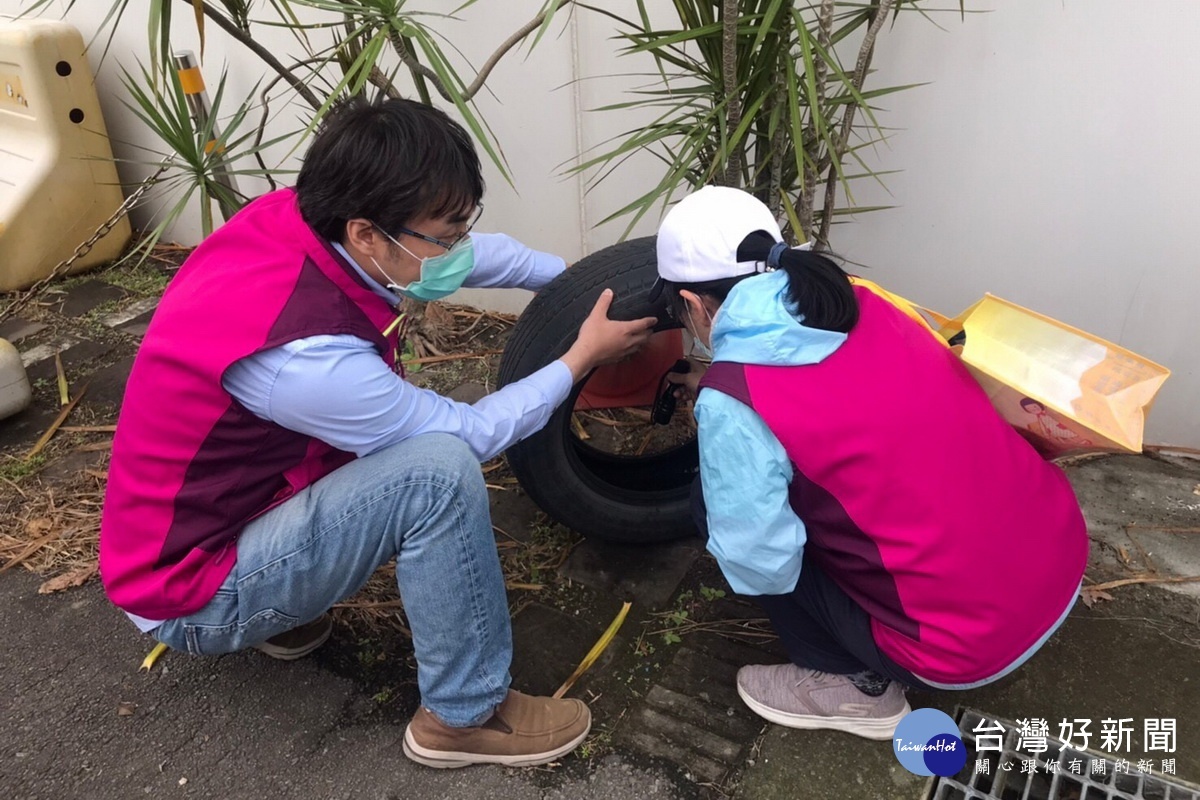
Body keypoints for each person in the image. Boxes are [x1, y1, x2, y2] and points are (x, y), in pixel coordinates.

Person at [99, 97, 657, 768]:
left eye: (460, 227)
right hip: (192, 593)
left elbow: (474, 258)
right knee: (436, 474)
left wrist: (582, 286)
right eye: (443, 236)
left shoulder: (298, 220)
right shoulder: (308, 363)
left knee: (410, 445)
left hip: (211, 525)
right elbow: (472, 434)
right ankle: (462, 715)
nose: (458, 250)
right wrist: (580, 359)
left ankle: (282, 604)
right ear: (367, 233)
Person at [650, 186, 1087, 741]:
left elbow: (762, 564)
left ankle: (856, 689)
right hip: (1058, 553)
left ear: (692, 304)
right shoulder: (864, 300)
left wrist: (724, 413)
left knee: (717, 511)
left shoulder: (734, 404)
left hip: (964, 645)